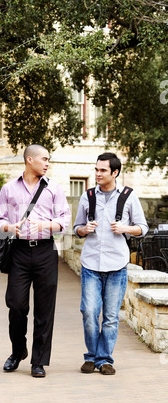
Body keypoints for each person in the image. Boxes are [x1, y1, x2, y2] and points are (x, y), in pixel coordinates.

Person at [0, 144, 71, 378]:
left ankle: (39, 361)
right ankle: (18, 352)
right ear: (30, 160)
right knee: (16, 305)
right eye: (44, 159)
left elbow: (64, 220)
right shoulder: (8, 189)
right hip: (18, 251)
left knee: (45, 309)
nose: (48, 163)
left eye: (49, 160)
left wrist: (46, 225)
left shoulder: (54, 189)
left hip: (46, 251)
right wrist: (10, 227)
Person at [73, 152, 148, 375]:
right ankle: (92, 355)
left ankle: (104, 360)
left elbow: (142, 228)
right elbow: (76, 228)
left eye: (103, 170)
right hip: (91, 264)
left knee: (111, 317)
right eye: (96, 169)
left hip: (116, 265)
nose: (98, 174)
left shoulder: (128, 196)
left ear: (115, 172)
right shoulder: (88, 195)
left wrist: (125, 228)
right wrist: (84, 229)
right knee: (89, 312)